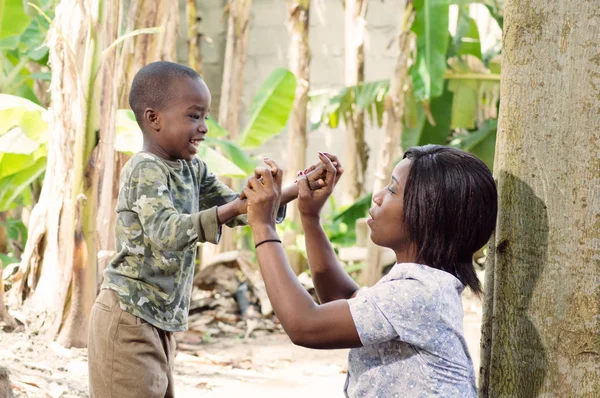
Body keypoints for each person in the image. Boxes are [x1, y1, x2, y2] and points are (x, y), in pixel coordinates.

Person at [87, 61, 327, 398]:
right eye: (193, 116)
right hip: (128, 318)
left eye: (206, 117)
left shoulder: (191, 168)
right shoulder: (144, 168)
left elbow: (241, 208)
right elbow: (166, 232)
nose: (203, 127)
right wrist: (234, 207)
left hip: (159, 322)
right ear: (154, 118)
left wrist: (294, 188)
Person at [242, 145, 498, 397]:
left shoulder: (419, 293)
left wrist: (263, 226)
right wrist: (310, 218)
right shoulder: (421, 284)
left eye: (392, 189)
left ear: (426, 213)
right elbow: (344, 298)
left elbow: (304, 325)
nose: (377, 196)